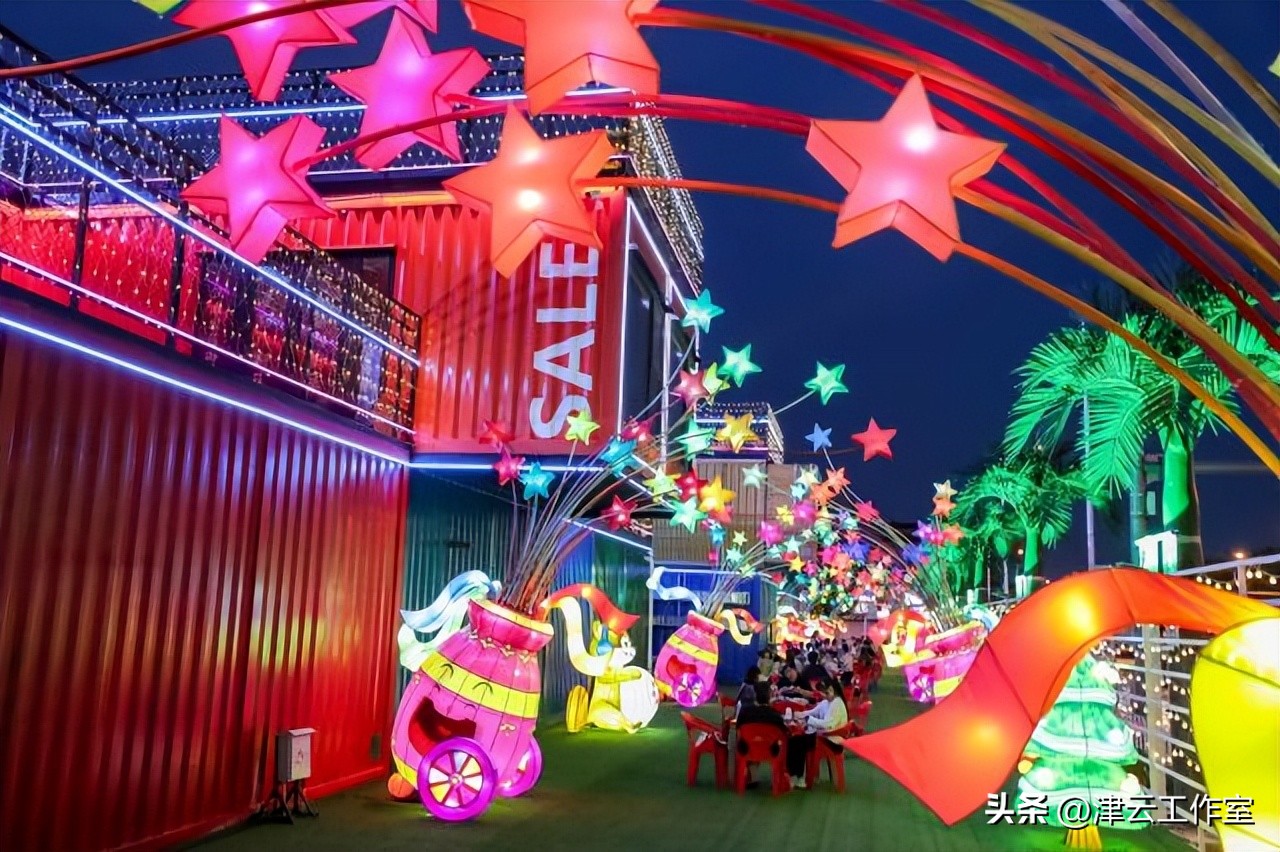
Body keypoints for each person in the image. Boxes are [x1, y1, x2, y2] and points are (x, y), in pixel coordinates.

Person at [786, 679, 849, 788]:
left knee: (800, 741)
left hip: (832, 739)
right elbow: (812, 712)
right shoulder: (827, 702)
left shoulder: (837, 704)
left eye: (827, 692)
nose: (825, 695)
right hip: (825, 735)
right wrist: (798, 714)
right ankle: (797, 775)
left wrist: (808, 719)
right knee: (796, 740)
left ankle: (800, 776)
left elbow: (828, 724)